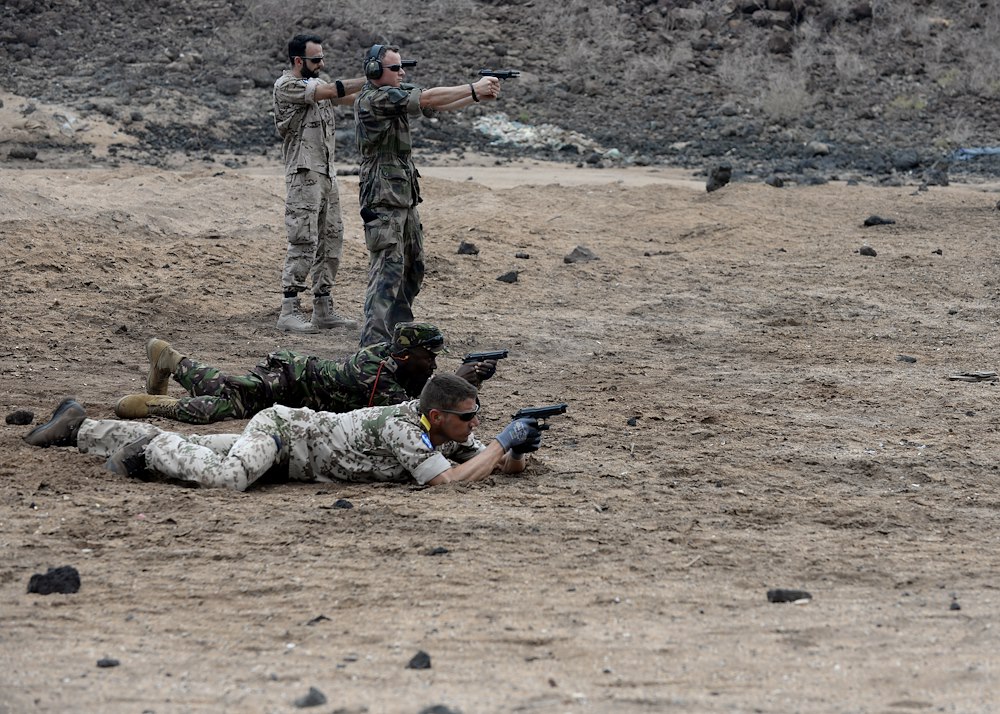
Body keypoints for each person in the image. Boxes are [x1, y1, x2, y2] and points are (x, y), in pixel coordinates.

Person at [24, 374, 544, 491]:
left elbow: (490, 462)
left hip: (291, 457)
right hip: (286, 434)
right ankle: (152, 443)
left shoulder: (446, 431)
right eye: (468, 418)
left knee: (204, 448)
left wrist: (516, 450)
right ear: (437, 416)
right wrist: (501, 439)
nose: (474, 427)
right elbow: (444, 484)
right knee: (226, 479)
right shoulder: (405, 425)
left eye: (478, 419)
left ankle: (81, 427)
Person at [354, 44, 502, 346]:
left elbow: (436, 104)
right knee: (386, 274)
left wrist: (472, 97)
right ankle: (373, 346)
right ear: (374, 71)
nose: (402, 72)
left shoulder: (393, 95)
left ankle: (399, 334)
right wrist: (473, 88)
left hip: (403, 197)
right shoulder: (375, 98)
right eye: (395, 68)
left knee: (413, 268)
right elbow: (429, 97)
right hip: (383, 200)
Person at [112, 322, 501, 425]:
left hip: (295, 394)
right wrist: (462, 380)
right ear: (406, 355)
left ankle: (169, 363)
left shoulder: (391, 358)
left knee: (228, 398)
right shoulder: (375, 372)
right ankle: (160, 396)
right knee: (227, 402)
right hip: (293, 380)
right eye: (429, 357)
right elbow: (412, 413)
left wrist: (467, 380)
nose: (434, 364)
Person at [274, 33, 367, 333]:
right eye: (316, 59)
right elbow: (331, 90)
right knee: (303, 239)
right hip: (304, 173)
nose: (322, 63)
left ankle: (323, 307)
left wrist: (382, 85)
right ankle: (289, 309)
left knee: (331, 239)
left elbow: (347, 97)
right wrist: (370, 76)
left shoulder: (318, 85)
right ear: (299, 61)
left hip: (326, 173)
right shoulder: (286, 85)